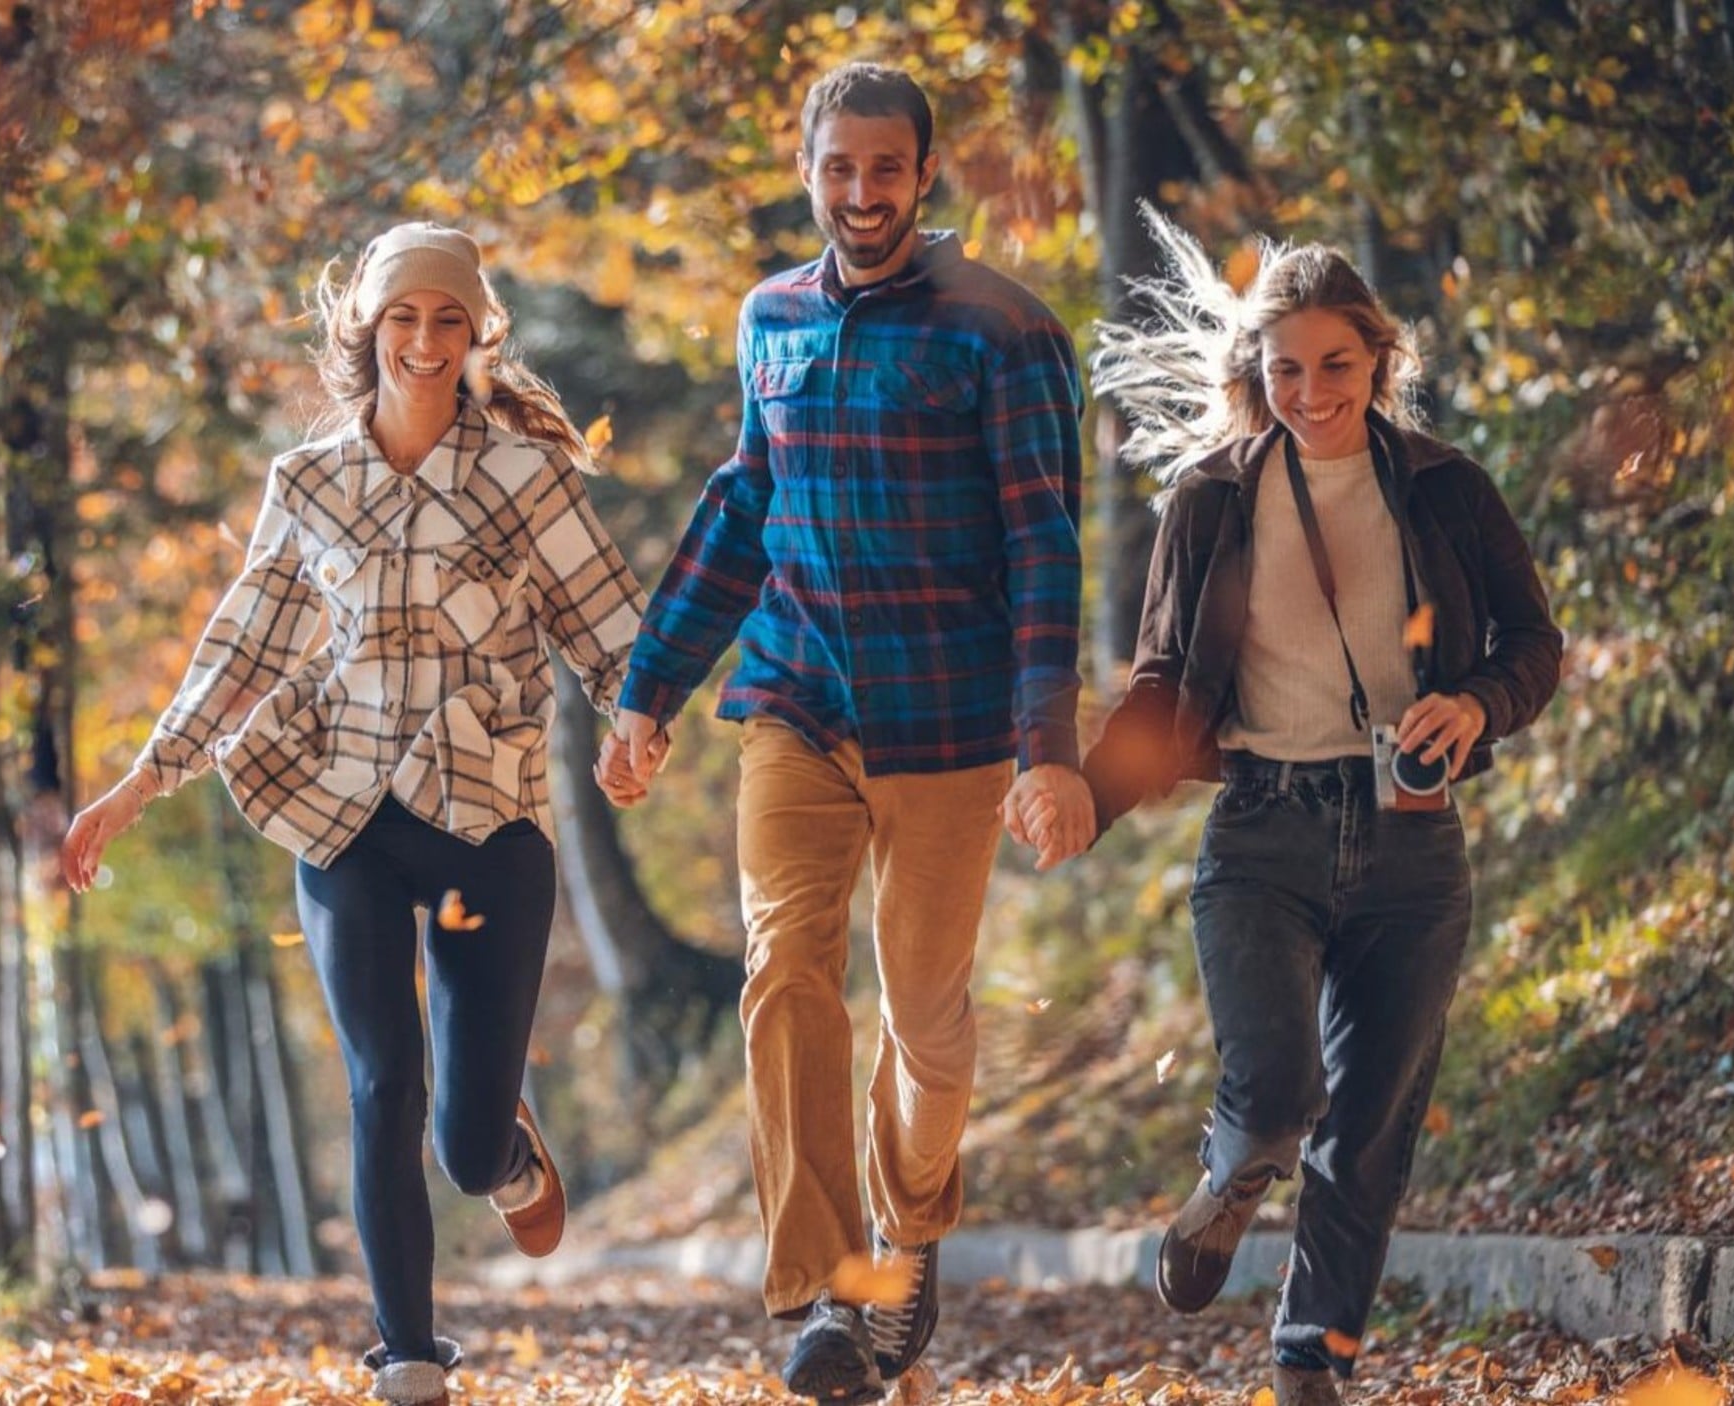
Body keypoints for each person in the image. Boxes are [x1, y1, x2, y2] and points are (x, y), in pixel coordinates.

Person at [60, 221, 648, 1406]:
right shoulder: (307, 481)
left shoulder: (526, 476)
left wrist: (640, 728)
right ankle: (408, 1351)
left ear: (475, 332)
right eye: (401, 318)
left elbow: (613, 625)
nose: (424, 341)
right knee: (382, 1078)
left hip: (487, 816)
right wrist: (138, 782)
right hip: (343, 809)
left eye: (446, 319)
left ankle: (505, 1150)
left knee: (462, 1139)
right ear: (364, 330)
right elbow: (242, 644)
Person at [599, 62, 1088, 1403]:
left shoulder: (1005, 330)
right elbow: (744, 504)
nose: (861, 192)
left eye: (887, 168)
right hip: (798, 701)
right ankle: (828, 1290)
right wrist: (647, 690)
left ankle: (909, 1226)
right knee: (785, 969)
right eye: (838, 168)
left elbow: (1046, 544)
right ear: (805, 169)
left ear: (925, 174)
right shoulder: (770, 318)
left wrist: (1046, 741)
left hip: (949, 719)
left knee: (924, 1019)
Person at [1015, 211, 1562, 1406]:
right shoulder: (1211, 500)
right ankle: (1228, 1177)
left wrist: (1475, 706)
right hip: (1261, 827)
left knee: (1366, 1131)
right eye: (1286, 369)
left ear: (1379, 362)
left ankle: (1312, 1357)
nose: (1311, 392)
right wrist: (1082, 795)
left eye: (1336, 365)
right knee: (1272, 1092)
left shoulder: (1444, 489)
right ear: (1253, 373)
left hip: (1413, 843)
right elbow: (1161, 682)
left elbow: (1532, 643)